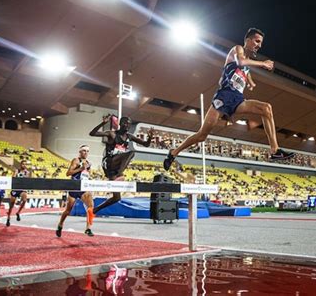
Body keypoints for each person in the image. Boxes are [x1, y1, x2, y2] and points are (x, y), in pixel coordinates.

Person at [163, 28, 294, 171]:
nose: (259, 45)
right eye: (257, 41)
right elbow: (241, 62)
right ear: (248, 40)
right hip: (223, 97)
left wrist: (250, 83)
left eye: (261, 43)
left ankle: (274, 150)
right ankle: (174, 152)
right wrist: (263, 64)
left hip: (237, 100)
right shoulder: (237, 49)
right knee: (201, 135)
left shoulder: (247, 66)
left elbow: (245, 72)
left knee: (266, 108)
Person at [89, 115, 154, 214]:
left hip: (115, 168)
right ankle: (120, 175)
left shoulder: (129, 136)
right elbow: (92, 133)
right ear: (119, 124)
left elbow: (146, 144)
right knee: (131, 153)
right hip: (109, 162)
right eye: (124, 123)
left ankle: (95, 210)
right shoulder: (112, 134)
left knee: (116, 198)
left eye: (129, 124)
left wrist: (150, 137)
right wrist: (103, 123)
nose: (127, 125)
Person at [56, 145, 95, 237]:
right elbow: (68, 173)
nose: (86, 153)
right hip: (74, 187)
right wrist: (80, 168)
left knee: (91, 206)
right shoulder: (76, 160)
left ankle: (88, 228)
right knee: (68, 211)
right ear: (80, 152)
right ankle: (60, 224)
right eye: (84, 151)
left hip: (83, 188)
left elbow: (86, 175)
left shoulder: (88, 163)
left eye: (87, 151)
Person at [6, 160, 30, 226]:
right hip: (15, 189)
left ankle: (18, 212)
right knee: (12, 204)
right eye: (23, 164)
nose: (24, 165)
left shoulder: (27, 172)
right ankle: (8, 217)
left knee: (25, 200)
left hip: (22, 189)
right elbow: (13, 178)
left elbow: (27, 180)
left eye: (25, 164)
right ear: (21, 165)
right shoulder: (17, 171)